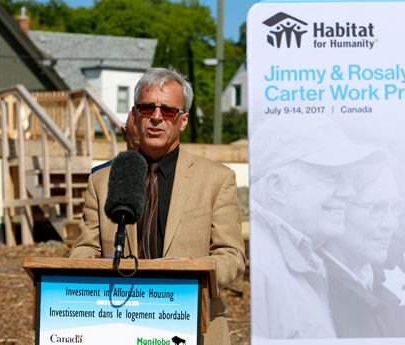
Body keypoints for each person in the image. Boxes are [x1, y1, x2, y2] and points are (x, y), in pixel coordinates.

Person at [70, 67, 246, 345]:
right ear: (135, 115)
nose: (155, 117)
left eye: (167, 111)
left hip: (193, 326)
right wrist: (93, 267)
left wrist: (199, 270)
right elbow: (83, 249)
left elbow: (232, 257)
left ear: (183, 120)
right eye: (147, 107)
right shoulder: (101, 181)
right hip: (117, 325)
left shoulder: (217, 179)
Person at [249, 118, 381, 339]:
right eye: (333, 177)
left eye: (349, 178)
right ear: (277, 186)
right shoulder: (264, 268)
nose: (349, 192)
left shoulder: (292, 257)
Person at [320, 162, 405, 337]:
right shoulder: (314, 290)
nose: (392, 224)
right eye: (376, 209)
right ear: (337, 207)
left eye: (395, 208)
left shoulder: (399, 283)